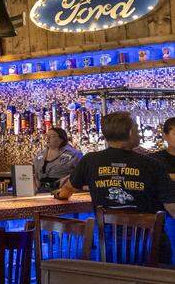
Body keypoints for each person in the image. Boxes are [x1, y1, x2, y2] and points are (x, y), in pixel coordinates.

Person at [55, 111, 175, 262]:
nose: (139, 133)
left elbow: (66, 191)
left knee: (116, 279)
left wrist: (60, 195)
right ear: (130, 133)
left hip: (110, 244)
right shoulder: (152, 164)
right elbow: (172, 207)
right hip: (150, 243)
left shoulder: (90, 160)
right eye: (137, 129)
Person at [33, 127, 82, 192]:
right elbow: (34, 174)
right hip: (41, 193)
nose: (48, 138)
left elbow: (82, 173)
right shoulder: (40, 155)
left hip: (63, 192)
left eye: (52, 136)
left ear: (61, 139)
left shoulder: (74, 154)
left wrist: (68, 179)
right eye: (46, 136)